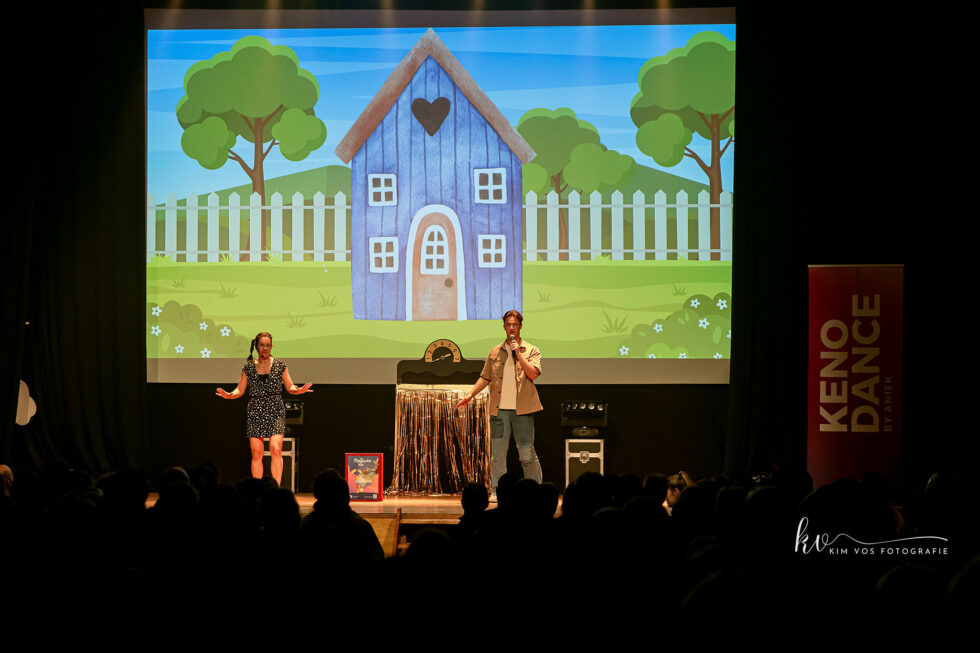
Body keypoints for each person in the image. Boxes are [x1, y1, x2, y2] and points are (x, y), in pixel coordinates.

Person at [457, 310, 543, 493]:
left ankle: (534, 490)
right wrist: (470, 395)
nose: (511, 328)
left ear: (520, 326)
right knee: (497, 455)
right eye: (508, 324)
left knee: (526, 453)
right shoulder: (495, 352)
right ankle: (498, 490)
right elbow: (485, 377)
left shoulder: (531, 350)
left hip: (522, 411)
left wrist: (518, 354)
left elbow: (533, 374)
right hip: (499, 412)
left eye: (515, 324)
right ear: (504, 326)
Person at [216, 332, 312, 485]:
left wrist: (299, 390)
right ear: (256, 346)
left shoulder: (280, 365)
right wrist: (229, 395)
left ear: (271, 347)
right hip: (255, 409)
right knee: (257, 453)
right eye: (262, 345)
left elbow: (290, 387)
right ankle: (258, 489)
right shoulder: (248, 367)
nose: (265, 348)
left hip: (275, 409)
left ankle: (275, 489)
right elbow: (239, 390)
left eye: (268, 345)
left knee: (276, 449)